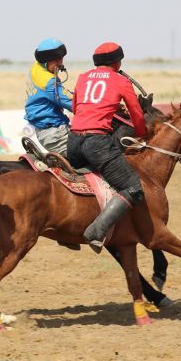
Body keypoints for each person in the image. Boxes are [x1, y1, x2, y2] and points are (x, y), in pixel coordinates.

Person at [67, 42, 146, 253]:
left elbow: (76, 108)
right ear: (117, 61)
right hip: (97, 143)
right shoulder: (120, 80)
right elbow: (136, 113)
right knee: (133, 188)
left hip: (73, 141)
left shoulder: (83, 77)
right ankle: (97, 230)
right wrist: (141, 133)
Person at [24, 38, 73, 156]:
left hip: (46, 130)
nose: (61, 63)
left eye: (61, 59)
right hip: (55, 133)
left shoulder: (36, 67)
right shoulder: (49, 81)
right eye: (57, 60)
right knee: (94, 153)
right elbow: (72, 103)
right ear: (46, 61)